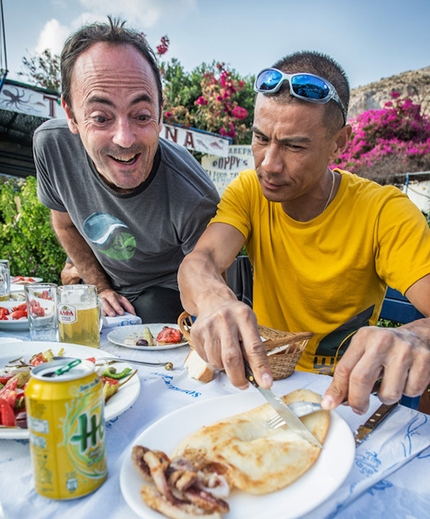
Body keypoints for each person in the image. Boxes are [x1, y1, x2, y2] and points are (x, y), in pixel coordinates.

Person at [178, 51, 430, 414]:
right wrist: (213, 298)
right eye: (261, 138)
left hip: (344, 396)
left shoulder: (383, 211)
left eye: (294, 146)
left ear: (340, 142)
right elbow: (198, 263)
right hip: (264, 382)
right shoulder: (249, 191)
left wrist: (417, 336)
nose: (268, 164)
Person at [33, 16, 219, 322]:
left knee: (151, 308)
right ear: (71, 114)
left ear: (161, 114)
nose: (125, 138)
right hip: (106, 285)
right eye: (101, 118)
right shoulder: (52, 147)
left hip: (168, 293)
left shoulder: (193, 194)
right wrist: (100, 288)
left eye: (141, 115)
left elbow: (209, 280)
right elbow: (65, 225)